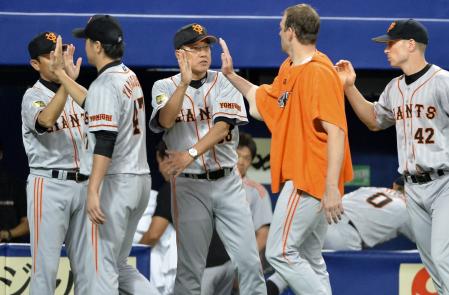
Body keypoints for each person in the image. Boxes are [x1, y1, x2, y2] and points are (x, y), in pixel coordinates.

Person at [220, 4, 353, 294]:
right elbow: (264, 100)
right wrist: (231, 75)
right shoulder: (289, 69)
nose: (278, 31)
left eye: (281, 27)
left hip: (310, 177)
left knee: (279, 251)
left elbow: (337, 132)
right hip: (309, 176)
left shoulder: (320, 72)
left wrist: (332, 187)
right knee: (310, 257)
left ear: (291, 32)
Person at [149, 23, 266, 295]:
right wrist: (183, 83)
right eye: (196, 48)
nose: (204, 53)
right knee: (190, 270)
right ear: (180, 54)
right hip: (190, 187)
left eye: (207, 47)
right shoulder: (162, 85)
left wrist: (190, 153)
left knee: (249, 263)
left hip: (227, 181)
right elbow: (165, 120)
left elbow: (223, 125)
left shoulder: (224, 79)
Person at [335, 18, 449, 294]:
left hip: (444, 183)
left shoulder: (442, 82)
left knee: (444, 258)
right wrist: (350, 87)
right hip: (412, 188)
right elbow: (374, 120)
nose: (385, 49)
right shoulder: (394, 88)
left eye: (391, 43)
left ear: (411, 45)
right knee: (433, 263)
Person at [69, 14, 155, 294]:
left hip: (117, 182)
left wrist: (93, 189)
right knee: (118, 265)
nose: (85, 47)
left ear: (96, 46)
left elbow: (105, 139)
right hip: (139, 179)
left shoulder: (105, 84)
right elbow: (95, 105)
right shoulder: (128, 75)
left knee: (102, 268)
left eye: (87, 41)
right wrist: (62, 76)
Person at [21, 31, 91, 294]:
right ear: (35, 64)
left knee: (88, 268)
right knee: (46, 269)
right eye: (50, 56)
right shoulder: (32, 95)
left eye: (61, 52)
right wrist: (66, 82)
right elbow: (46, 120)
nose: (58, 59)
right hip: (48, 185)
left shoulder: (77, 92)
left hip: (83, 184)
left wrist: (69, 83)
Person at [266, 177, 415, 295]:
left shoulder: (373, 189)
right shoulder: (408, 207)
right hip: (347, 235)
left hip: (325, 217)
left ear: (395, 186)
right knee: (340, 280)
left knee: (293, 267)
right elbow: (425, 244)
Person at [201, 132, 273, 295]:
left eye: (246, 158)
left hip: (241, 265)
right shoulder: (211, 184)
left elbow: (263, 234)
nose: (240, 161)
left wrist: (242, 263)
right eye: (237, 155)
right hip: (210, 261)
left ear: (251, 161)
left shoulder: (258, 192)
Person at [134, 141, 177, 295]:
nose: (160, 168)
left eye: (160, 162)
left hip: (204, 266)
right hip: (220, 261)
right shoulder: (193, 185)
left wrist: (131, 254)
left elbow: (153, 235)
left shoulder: (170, 190)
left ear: (166, 158)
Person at [0, 142, 29, 243]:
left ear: (1, 155)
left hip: (11, 251)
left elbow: (27, 224)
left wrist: (7, 234)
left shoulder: (16, 185)